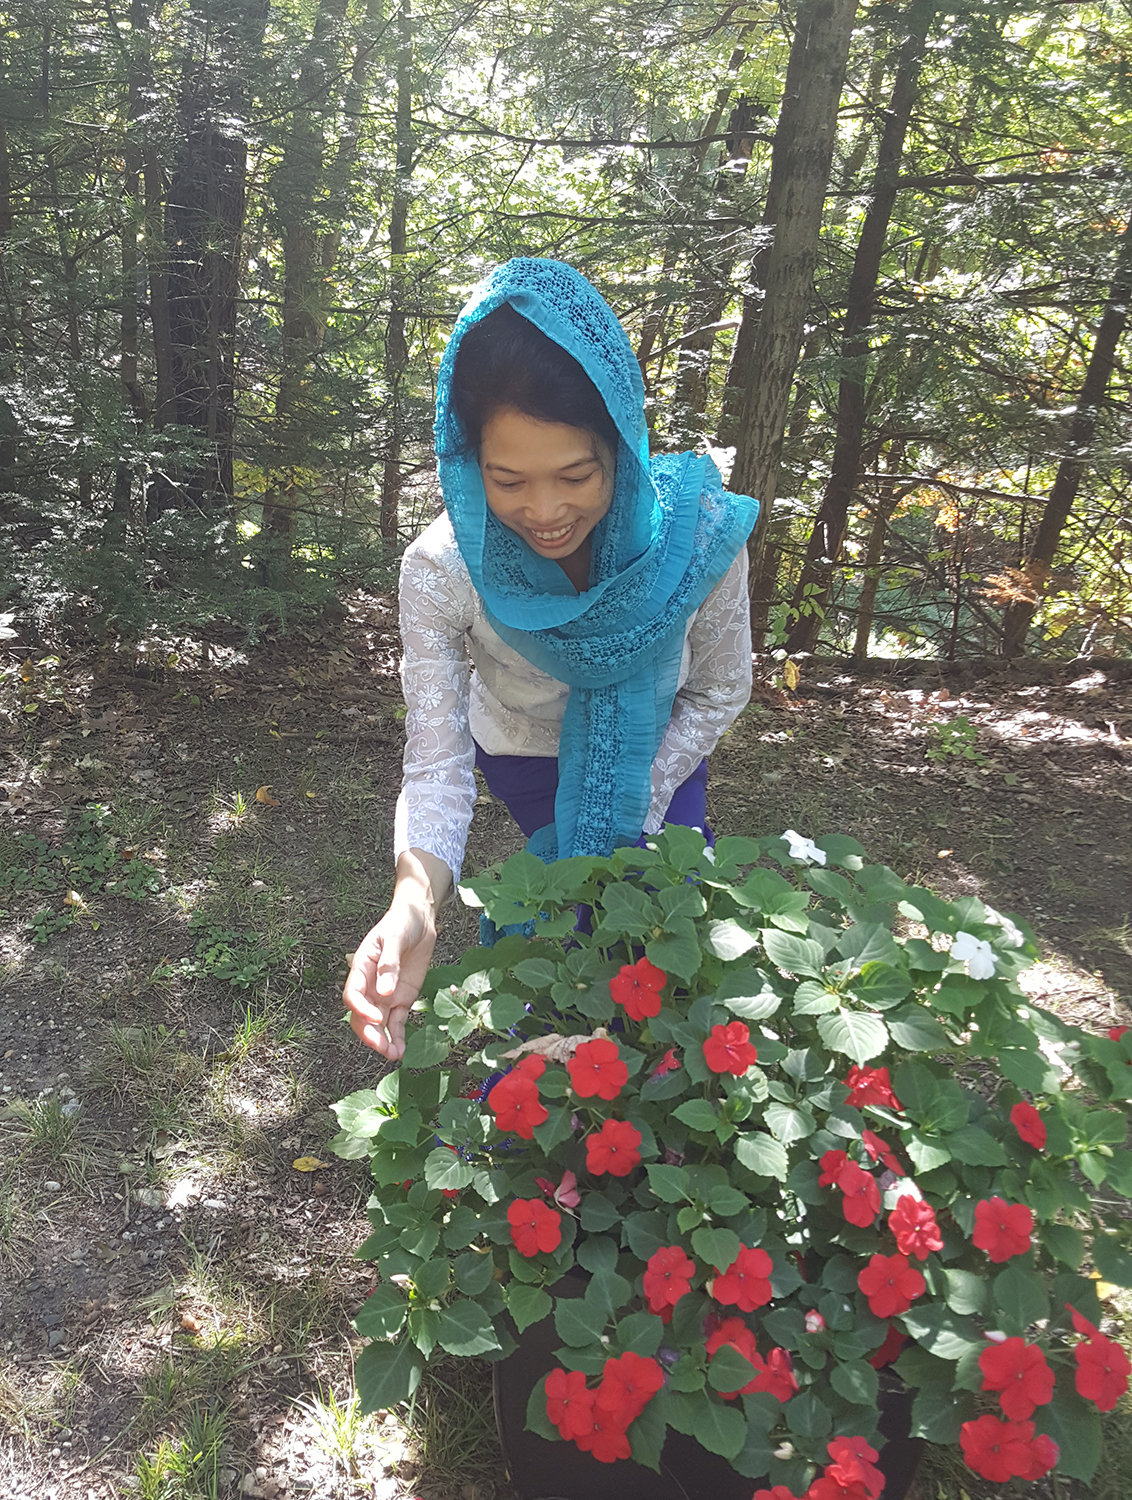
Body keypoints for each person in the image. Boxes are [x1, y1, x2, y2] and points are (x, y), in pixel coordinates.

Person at [343, 257, 758, 1058]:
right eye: (507, 481)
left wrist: (631, 804)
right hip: (525, 757)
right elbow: (437, 767)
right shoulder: (443, 570)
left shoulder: (697, 541)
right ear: (469, 463)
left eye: (576, 474)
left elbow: (717, 692)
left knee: (659, 934)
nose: (545, 511)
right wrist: (413, 904)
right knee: (562, 934)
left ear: (621, 443)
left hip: (660, 753)